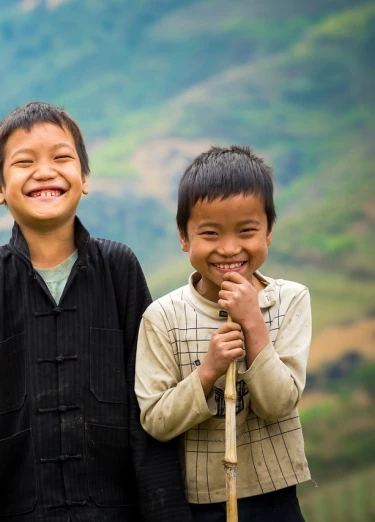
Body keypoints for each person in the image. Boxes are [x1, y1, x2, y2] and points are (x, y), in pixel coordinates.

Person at [0, 102, 191, 521]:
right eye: (24, 162)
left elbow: (149, 405)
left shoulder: (119, 269)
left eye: (61, 158)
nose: (44, 172)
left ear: (84, 179)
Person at [135, 146, 311, 521]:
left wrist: (253, 323)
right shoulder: (162, 317)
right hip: (202, 503)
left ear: (269, 232)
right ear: (184, 237)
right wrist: (207, 371)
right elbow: (155, 420)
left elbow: (280, 403)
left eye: (247, 231)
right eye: (210, 233)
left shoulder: (291, 300)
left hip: (276, 495)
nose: (229, 248)